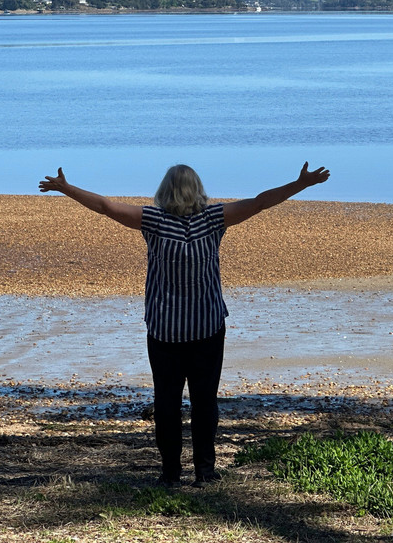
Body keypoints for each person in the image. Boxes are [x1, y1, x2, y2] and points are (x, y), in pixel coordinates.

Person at [38, 161, 330, 487]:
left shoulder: (154, 220)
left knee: (167, 404)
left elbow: (106, 207)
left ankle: (171, 474)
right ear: (197, 190)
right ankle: (204, 472)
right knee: (205, 401)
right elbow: (261, 202)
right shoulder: (213, 219)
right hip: (207, 326)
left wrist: (66, 188)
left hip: (165, 330)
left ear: (165, 192)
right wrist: (300, 184)